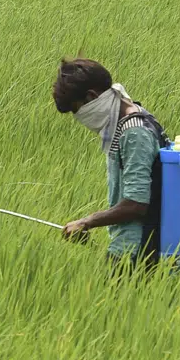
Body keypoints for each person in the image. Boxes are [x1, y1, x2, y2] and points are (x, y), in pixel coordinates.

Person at [52, 58, 167, 269]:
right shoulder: (133, 115)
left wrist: (86, 222)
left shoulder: (134, 133)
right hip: (133, 244)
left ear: (91, 97)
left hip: (136, 250)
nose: (79, 118)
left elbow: (136, 204)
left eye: (77, 109)